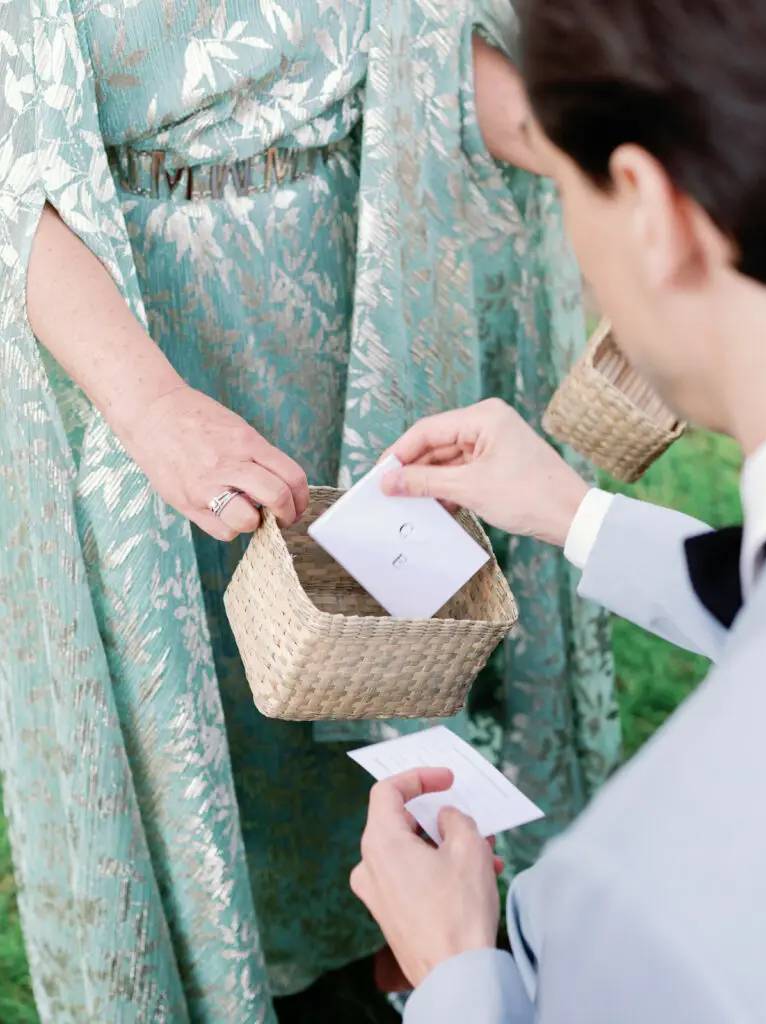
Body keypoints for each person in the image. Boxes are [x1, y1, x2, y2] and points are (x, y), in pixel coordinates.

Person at [0, 0, 619, 1019]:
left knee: (393, 637)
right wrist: (152, 406)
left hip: (372, 288)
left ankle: (417, 954)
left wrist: (590, 146)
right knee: (212, 700)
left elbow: (426, 50)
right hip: (130, 327)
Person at [351, 0, 766, 1019]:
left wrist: (454, 964)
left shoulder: (641, 904)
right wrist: (575, 512)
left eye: (556, 172)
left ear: (648, 210)